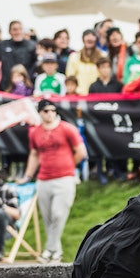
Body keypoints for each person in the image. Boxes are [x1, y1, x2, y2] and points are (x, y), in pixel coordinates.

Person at [24, 98, 87, 262]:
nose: (50, 114)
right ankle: (56, 253)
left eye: (53, 110)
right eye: (46, 111)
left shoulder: (67, 129)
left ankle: (49, 250)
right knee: (48, 218)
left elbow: (81, 152)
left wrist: (69, 166)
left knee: (58, 215)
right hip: (43, 178)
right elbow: (34, 154)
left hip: (64, 178)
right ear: (40, 113)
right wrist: (28, 175)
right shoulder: (35, 132)